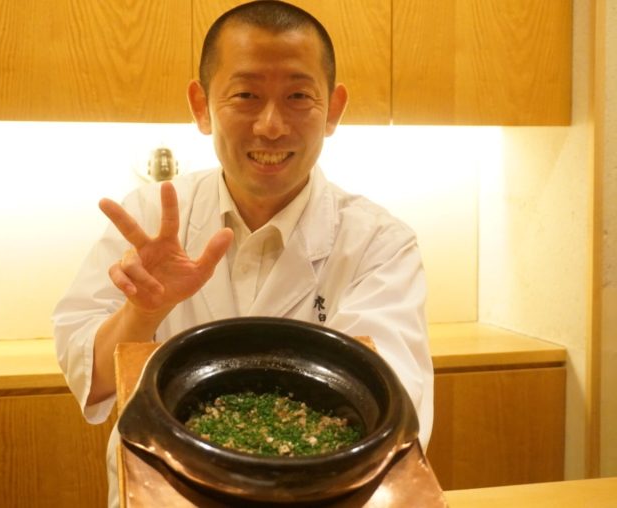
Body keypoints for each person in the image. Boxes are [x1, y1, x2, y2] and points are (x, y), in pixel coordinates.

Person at [52, 1, 433, 506]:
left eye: (298, 96)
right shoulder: (151, 216)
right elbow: (93, 378)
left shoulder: (378, 243)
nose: (271, 126)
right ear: (201, 105)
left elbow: (390, 407)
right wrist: (143, 313)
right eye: (246, 95)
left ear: (334, 109)